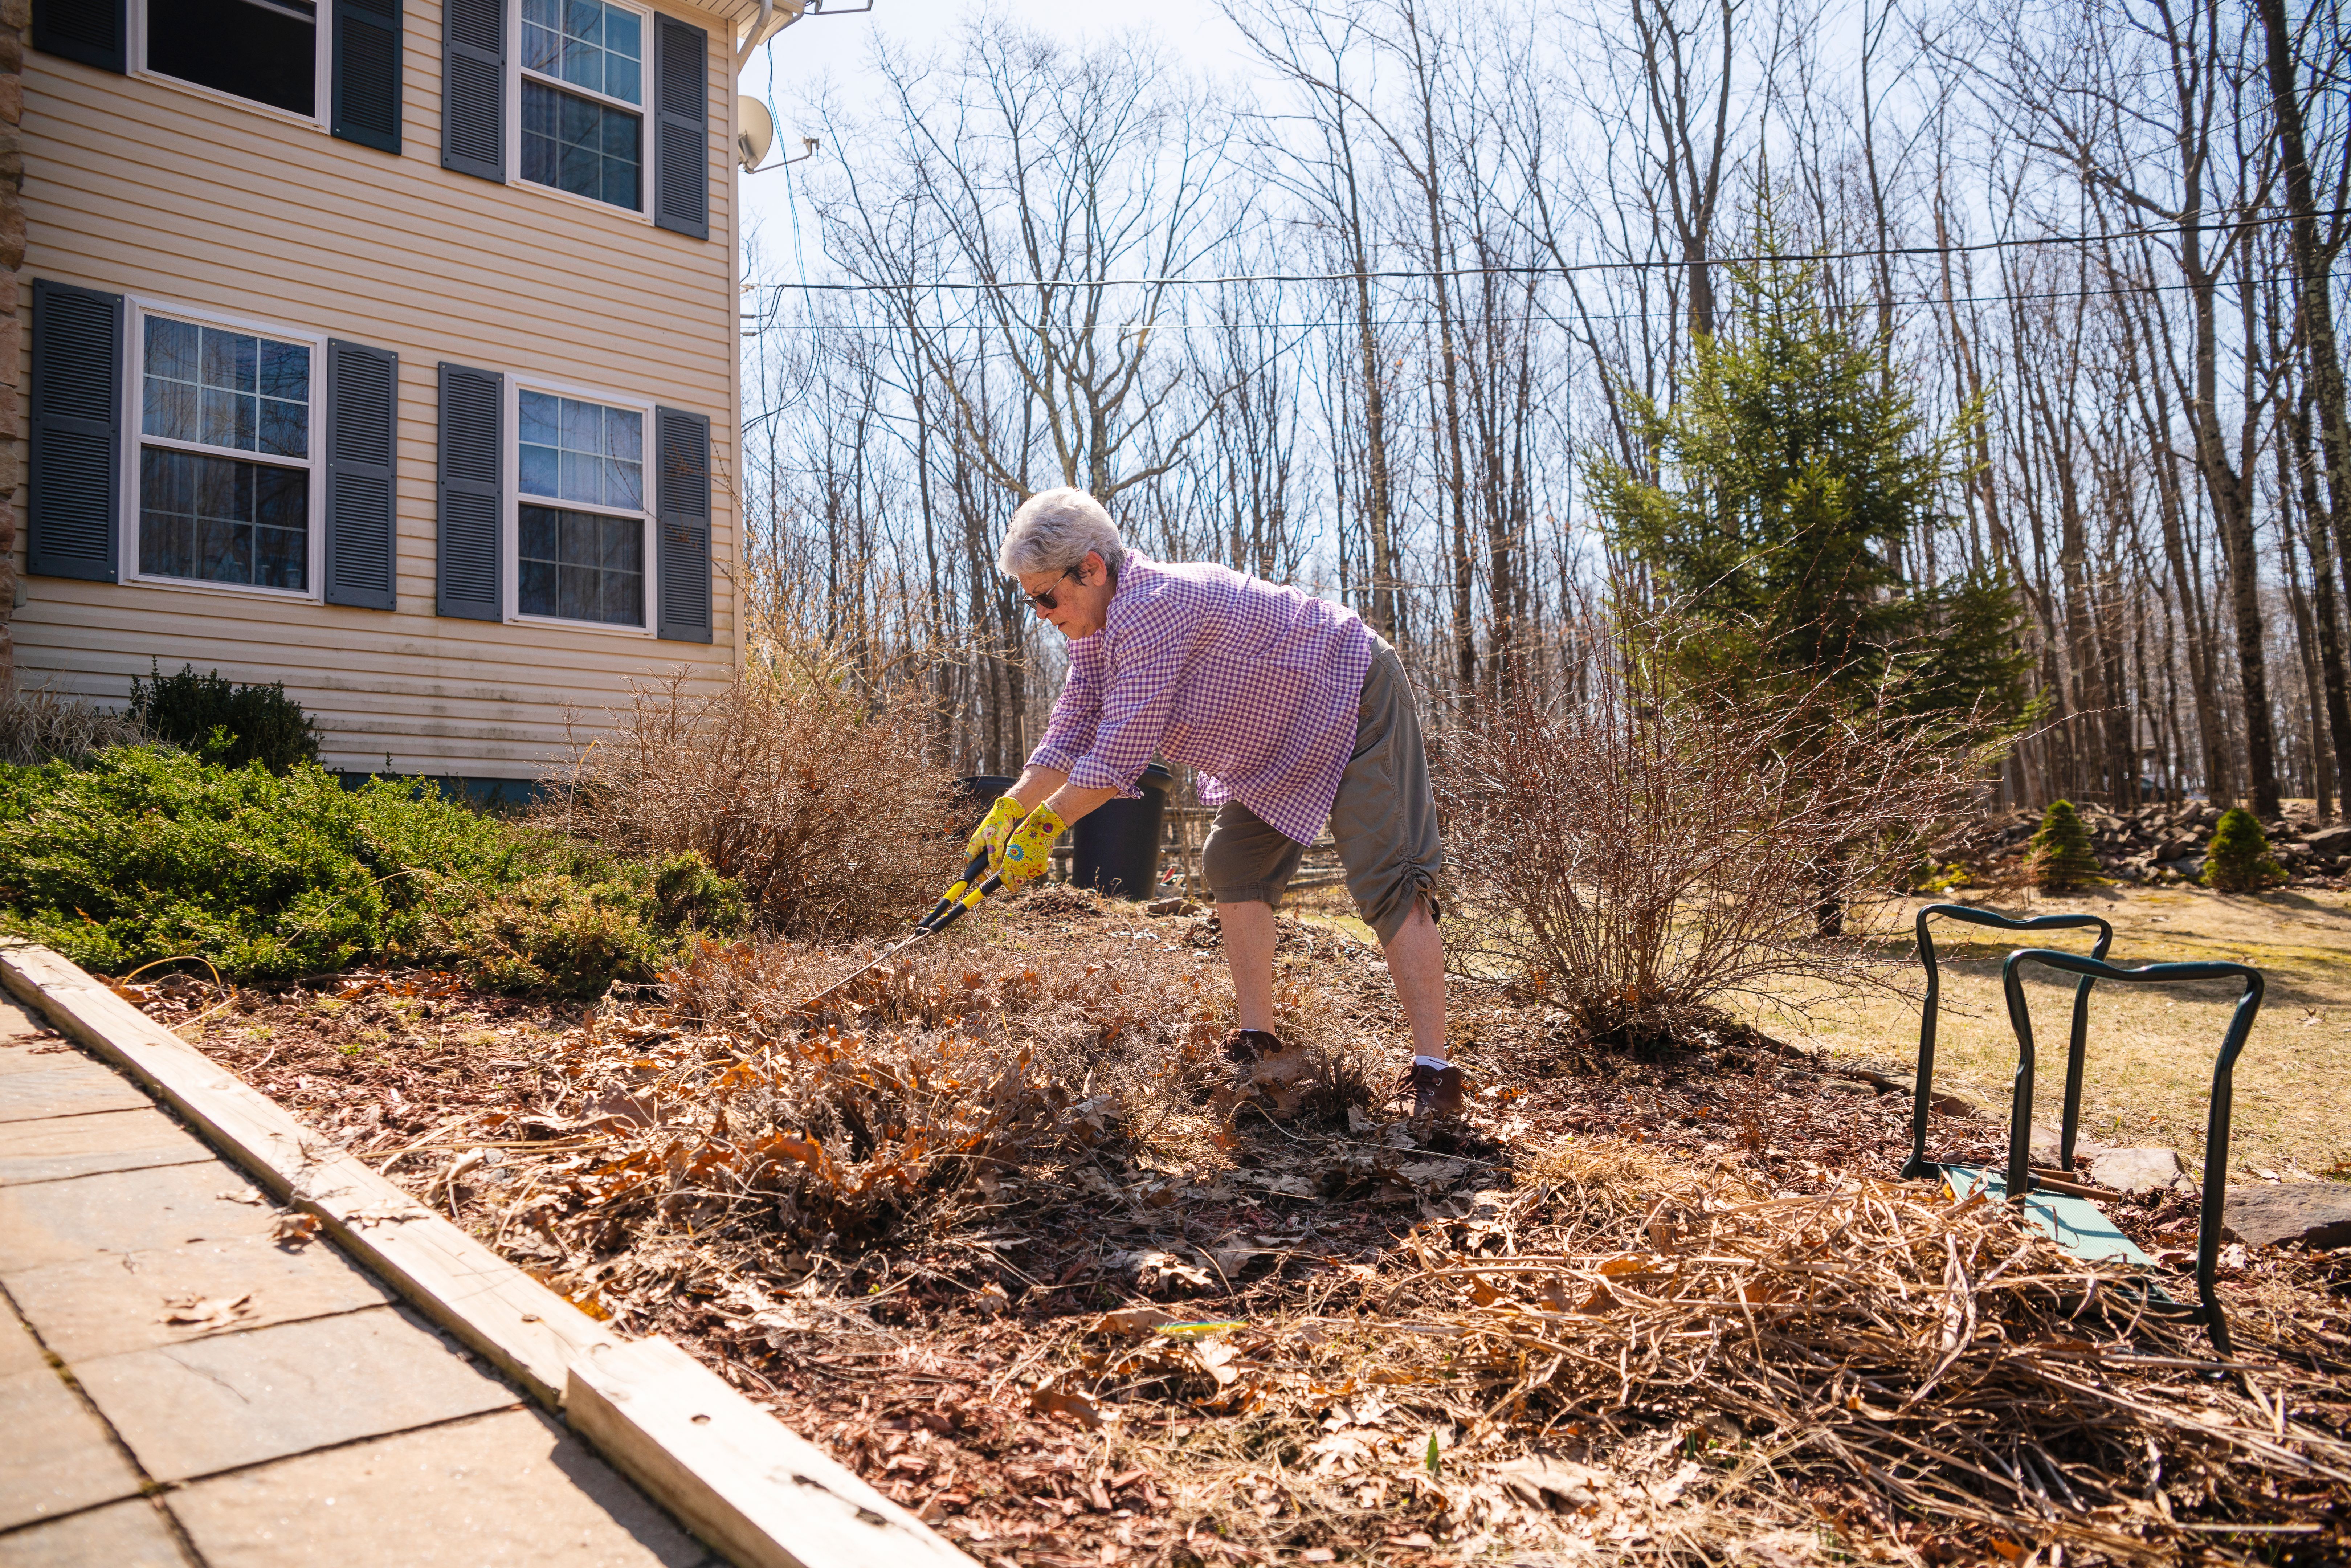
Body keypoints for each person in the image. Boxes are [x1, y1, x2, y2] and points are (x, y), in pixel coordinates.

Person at [964, 487, 1465, 1120]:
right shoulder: (1095, 628)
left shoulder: (1152, 607)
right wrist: (1010, 808)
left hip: (1350, 691)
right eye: (1029, 598)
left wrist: (1042, 829)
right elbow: (1074, 726)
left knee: (1388, 877)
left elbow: (1118, 755)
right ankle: (1258, 1040)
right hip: (1279, 738)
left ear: (1090, 568)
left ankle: (1435, 1074)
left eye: (1045, 596)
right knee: (1233, 864)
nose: (1040, 613)